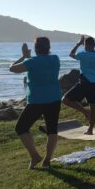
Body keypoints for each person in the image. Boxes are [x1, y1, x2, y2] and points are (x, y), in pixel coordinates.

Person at [9, 38, 62, 169]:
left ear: (36, 48)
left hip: (37, 101)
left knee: (21, 128)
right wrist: (28, 57)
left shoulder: (31, 61)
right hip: (55, 98)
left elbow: (12, 69)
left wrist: (23, 56)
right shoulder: (55, 58)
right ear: (48, 47)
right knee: (52, 129)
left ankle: (35, 156)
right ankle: (47, 160)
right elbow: (40, 63)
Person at [63, 36, 95, 135]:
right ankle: (90, 129)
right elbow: (92, 53)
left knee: (65, 100)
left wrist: (78, 44)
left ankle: (85, 112)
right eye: (86, 45)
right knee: (93, 106)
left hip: (84, 83)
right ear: (94, 45)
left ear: (87, 45)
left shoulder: (82, 54)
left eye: (86, 45)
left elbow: (71, 54)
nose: (86, 47)